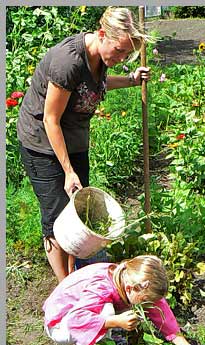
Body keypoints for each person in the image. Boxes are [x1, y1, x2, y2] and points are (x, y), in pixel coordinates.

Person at [17, 7, 151, 282]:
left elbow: (95, 84)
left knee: (77, 213)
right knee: (56, 218)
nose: (121, 58)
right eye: (119, 51)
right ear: (101, 34)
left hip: (74, 140)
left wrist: (130, 80)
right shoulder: (69, 61)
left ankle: (74, 275)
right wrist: (68, 171)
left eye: (126, 54)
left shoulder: (101, 57)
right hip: (42, 143)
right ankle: (66, 287)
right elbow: (50, 119)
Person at [43, 255, 205, 345]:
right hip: (60, 324)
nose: (147, 304)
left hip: (80, 312)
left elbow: (165, 320)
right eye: (145, 300)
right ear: (129, 288)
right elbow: (75, 320)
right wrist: (114, 321)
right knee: (107, 311)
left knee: (112, 312)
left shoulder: (132, 278)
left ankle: (105, 338)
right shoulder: (102, 286)